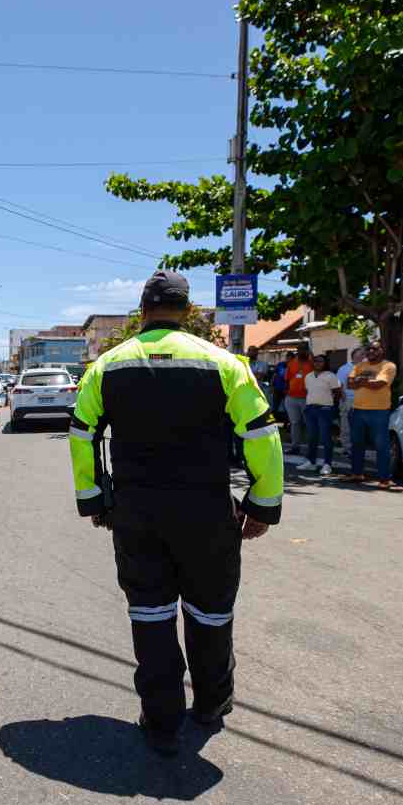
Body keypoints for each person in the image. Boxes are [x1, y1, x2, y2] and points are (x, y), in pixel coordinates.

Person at [69, 270, 283, 757]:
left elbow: (82, 434)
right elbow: (262, 435)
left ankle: (161, 720)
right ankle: (211, 704)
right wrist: (261, 505)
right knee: (211, 613)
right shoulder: (226, 364)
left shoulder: (107, 366)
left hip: (137, 511)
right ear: (187, 313)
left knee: (151, 613)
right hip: (207, 510)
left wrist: (95, 499)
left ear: (142, 311)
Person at [348, 341, 397, 487]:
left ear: (381, 350)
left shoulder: (388, 366)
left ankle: (384, 479)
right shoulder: (360, 365)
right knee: (357, 444)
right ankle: (357, 474)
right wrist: (365, 381)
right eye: (368, 349)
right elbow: (350, 384)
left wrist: (360, 381)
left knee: (381, 445)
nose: (370, 351)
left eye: (374, 349)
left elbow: (379, 385)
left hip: (379, 411)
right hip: (358, 410)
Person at [297, 354, 342, 475]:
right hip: (310, 408)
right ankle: (311, 462)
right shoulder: (308, 376)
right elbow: (309, 391)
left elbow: (338, 392)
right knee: (311, 437)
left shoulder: (331, 376)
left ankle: (327, 464)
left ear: (325, 363)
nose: (318, 363)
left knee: (326, 437)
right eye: (315, 361)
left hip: (325, 409)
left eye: (321, 361)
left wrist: (331, 406)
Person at [283, 345, 313, 456]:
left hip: (307, 398)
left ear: (308, 351)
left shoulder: (312, 363)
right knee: (295, 423)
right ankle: (295, 447)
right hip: (292, 398)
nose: (302, 352)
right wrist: (286, 393)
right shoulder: (292, 363)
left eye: (304, 349)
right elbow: (286, 379)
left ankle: (311, 448)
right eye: (300, 350)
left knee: (309, 423)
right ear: (297, 351)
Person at [337, 347, 364, 454]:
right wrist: (344, 400)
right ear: (354, 355)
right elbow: (339, 385)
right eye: (361, 354)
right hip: (348, 400)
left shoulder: (366, 368)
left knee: (360, 426)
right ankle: (347, 448)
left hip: (363, 401)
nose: (363, 356)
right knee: (346, 425)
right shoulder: (344, 368)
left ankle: (358, 447)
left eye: (364, 354)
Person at [271, 352, 290, 419]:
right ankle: (272, 420)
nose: (288, 359)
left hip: (287, 389)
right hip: (277, 388)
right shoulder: (280, 364)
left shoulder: (292, 365)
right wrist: (272, 385)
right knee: (275, 405)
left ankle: (286, 421)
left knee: (287, 406)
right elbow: (274, 375)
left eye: (290, 358)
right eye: (287, 357)